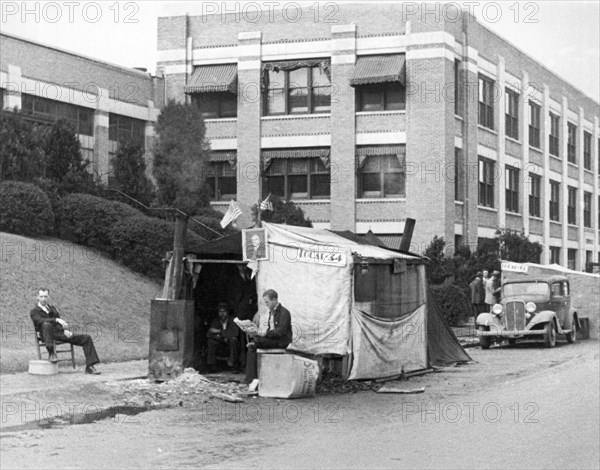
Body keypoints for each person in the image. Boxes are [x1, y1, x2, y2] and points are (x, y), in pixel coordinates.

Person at [30, 288, 101, 374]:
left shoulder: (52, 309)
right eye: (41, 296)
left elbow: (60, 323)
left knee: (86, 338)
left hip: (59, 333)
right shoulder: (34, 311)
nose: (43, 299)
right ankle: (51, 353)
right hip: (47, 335)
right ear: (37, 297)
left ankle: (90, 366)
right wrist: (56, 319)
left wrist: (66, 330)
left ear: (48, 297)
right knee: (46, 324)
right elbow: (40, 321)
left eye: (45, 296)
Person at [245, 289, 293, 384]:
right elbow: (271, 330)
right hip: (274, 340)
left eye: (267, 302)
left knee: (254, 346)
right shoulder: (272, 312)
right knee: (255, 341)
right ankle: (252, 379)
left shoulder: (284, 312)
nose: (266, 305)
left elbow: (281, 331)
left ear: (274, 300)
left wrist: (265, 334)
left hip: (281, 341)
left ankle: (251, 380)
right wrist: (257, 333)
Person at [206, 302, 241, 373]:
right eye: (220, 312)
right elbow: (209, 333)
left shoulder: (233, 320)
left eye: (224, 311)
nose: (222, 314)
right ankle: (212, 366)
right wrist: (222, 336)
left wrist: (219, 332)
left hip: (230, 343)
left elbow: (234, 333)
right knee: (211, 341)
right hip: (220, 342)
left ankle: (234, 366)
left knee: (233, 340)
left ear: (227, 312)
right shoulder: (216, 321)